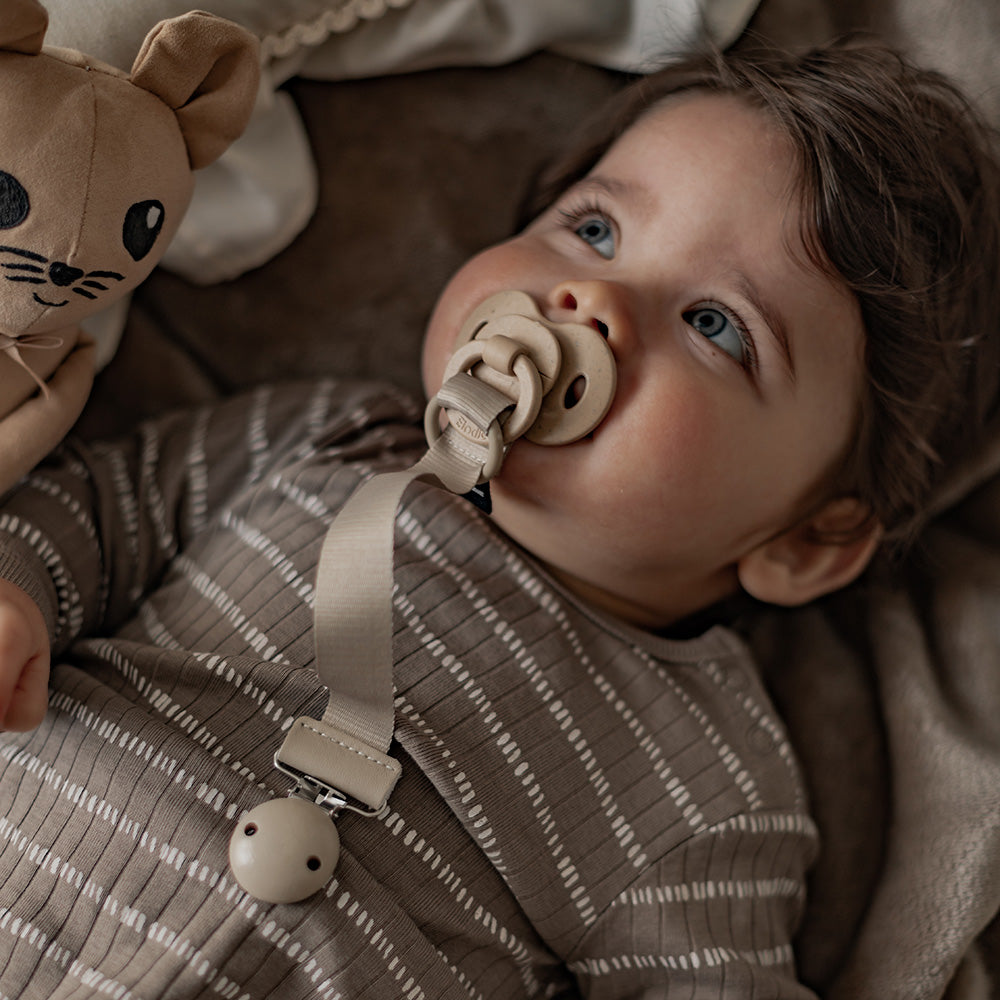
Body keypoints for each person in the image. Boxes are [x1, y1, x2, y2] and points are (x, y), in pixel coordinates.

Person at [1, 37, 999, 999]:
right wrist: (15, 594)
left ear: (807, 540)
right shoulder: (323, 435)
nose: (593, 299)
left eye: (714, 325)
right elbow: (96, 508)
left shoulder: (704, 782)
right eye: (594, 230)